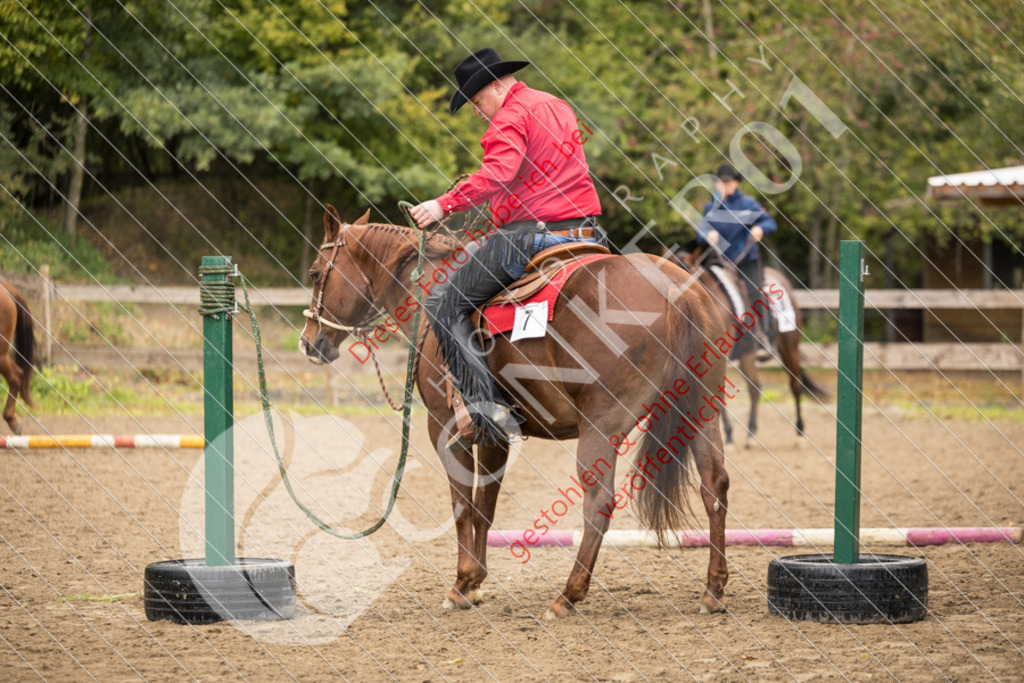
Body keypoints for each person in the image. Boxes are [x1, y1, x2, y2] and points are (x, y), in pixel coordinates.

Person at [410, 47, 602, 446]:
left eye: (478, 101)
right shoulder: (556, 106)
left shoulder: (509, 117)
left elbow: (498, 174)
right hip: (584, 233)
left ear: (497, 85)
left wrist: (443, 204)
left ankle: (486, 412)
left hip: (531, 235)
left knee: (445, 305)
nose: (479, 111)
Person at [696, 164, 778, 346]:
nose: (724, 186)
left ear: (735, 183)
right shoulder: (710, 208)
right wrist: (707, 234)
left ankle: (765, 335)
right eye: (721, 183)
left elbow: (770, 222)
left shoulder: (748, 204)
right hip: (720, 264)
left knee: (755, 292)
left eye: (728, 182)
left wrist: (760, 228)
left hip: (745, 261)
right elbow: (699, 233)